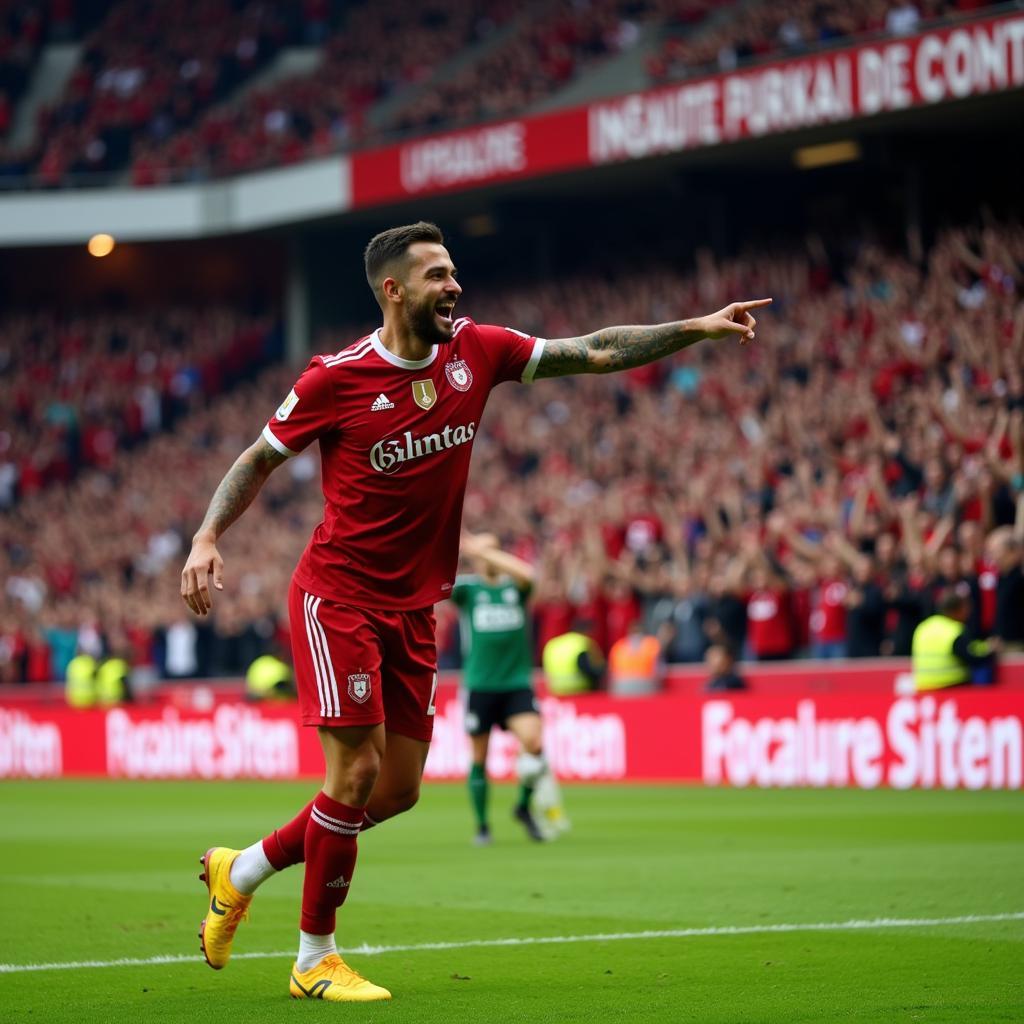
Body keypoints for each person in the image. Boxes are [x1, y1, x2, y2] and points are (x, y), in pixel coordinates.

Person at [179, 219, 770, 1003]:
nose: (454, 285)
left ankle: (240, 869)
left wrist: (693, 328)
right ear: (393, 290)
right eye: (436, 276)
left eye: (454, 272)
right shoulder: (335, 378)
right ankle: (313, 957)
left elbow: (591, 350)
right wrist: (207, 535)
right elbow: (259, 458)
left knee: (394, 792)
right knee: (352, 773)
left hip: (415, 608)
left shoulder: (478, 352)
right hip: (339, 598)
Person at [452, 532, 564, 845]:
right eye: (481, 553)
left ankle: (522, 806)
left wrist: (482, 550)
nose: (486, 558)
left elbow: (529, 574)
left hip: (516, 683)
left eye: (492, 551)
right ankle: (482, 825)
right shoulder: (468, 589)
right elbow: (436, 586)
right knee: (479, 757)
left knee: (535, 742)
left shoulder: (516, 586)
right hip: (480, 685)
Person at [912, 586, 997, 691]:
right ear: (956, 609)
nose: (968, 612)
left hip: (924, 690)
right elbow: (971, 656)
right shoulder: (954, 630)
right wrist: (991, 651)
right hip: (952, 688)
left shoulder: (923, 627)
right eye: (965, 608)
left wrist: (984, 645)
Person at [542, 620, 606, 695]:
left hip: (555, 689)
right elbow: (587, 668)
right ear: (586, 631)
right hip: (578, 689)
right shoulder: (583, 642)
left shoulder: (553, 643)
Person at [607, 618, 663, 696]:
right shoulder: (652, 644)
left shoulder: (619, 646)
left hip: (621, 686)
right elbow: (658, 670)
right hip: (645, 684)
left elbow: (611, 672)